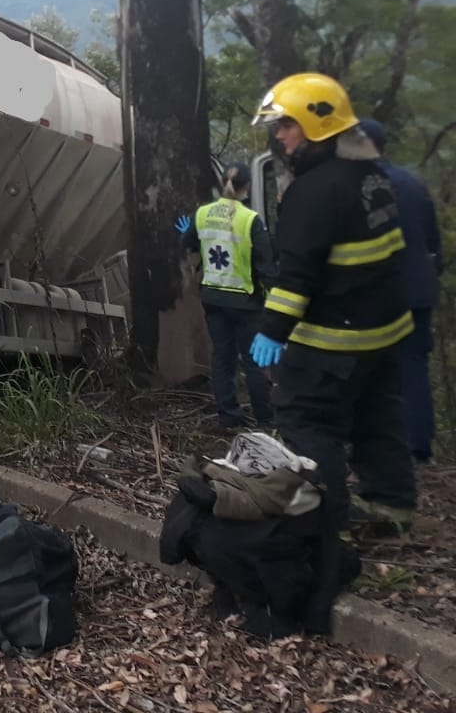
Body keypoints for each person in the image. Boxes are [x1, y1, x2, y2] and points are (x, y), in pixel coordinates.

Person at [249, 73, 416, 536]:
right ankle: (393, 509)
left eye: (286, 125)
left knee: (306, 421)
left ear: (315, 126)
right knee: (376, 418)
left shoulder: (314, 191)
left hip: (332, 338)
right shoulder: (371, 179)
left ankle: (326, 523)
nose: (279, 135)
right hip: (384, 332)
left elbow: (296, 275)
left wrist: (271, 330)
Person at [358, 118, 444, 465]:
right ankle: (418, 448)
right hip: (419, 290)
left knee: (370, 368)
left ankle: (376, 445)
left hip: (378, 292)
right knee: (414, 365)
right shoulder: (413, 183)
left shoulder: (358, 186)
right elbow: (432, 240)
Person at [178, 162, 277, 427]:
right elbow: (266, 266)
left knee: (222, 358)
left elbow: (187, 243)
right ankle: (265, 420)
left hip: (213, 299)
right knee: (253, 361)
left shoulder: (202, 214)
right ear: (247, 186)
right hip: (245, 302)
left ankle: (229, 416)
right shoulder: (251, 220)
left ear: (223, 183)